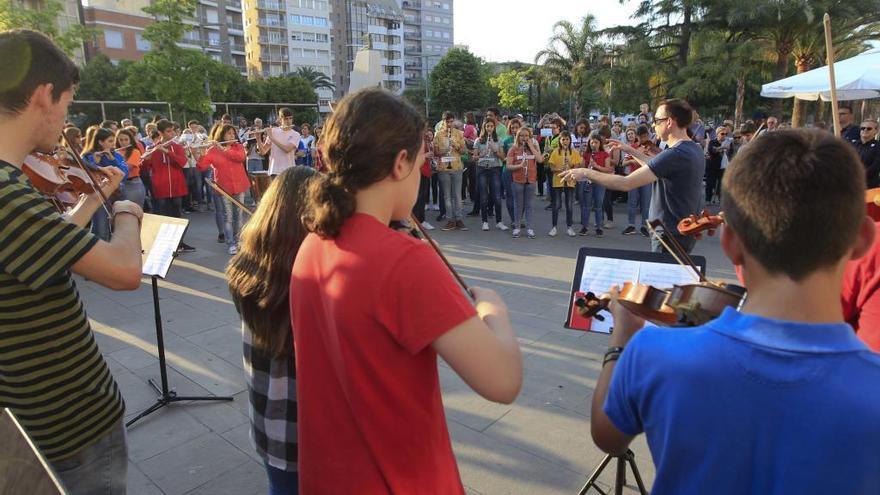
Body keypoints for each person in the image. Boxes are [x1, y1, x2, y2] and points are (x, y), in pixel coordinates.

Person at [591, 129, 880, 494]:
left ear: (729, 243)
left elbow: (607, 436)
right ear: (866, 240)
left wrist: (622, 339)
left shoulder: (654, 355)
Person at [291, 88, 522, 494]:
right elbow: (502, 381)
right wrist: (493, 311)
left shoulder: (312, 243)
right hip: (399, 480)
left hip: (329, 477)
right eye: (420, 162)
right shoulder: (404, 260)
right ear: (401, 163)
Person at [0, 29, 144, 495]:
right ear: (44, 95)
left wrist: (94, 197)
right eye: (66, 103)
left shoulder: (15, 190)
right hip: (67, 420)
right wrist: (125, 213)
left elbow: (49, 241)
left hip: (32, 412)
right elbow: (124, 271)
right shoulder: (5, 193)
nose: (65, 119)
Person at [227, 167, 316, 495]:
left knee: (279, 487)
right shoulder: (309, 280)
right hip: (307, 425)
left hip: (268, 417)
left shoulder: (245, 266)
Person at [561, 99, 705, 253]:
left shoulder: (675, 154)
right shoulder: (693, 149)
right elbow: (656, 165)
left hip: (669, 234)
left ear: (669, 122)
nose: (653, 125)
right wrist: (629, 150)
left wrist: (585, 172)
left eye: (656, 120)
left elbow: (625, 183)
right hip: (681, 231)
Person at [142, 119, 196, 252]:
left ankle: (179, 243)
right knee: (163, 216)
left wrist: (168, 152)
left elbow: (182, 162)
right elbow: (143, 168)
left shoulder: (176, 147)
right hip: (161, 188)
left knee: (177, 216)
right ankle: (164, 245)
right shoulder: (152, 148)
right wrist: (146, 160)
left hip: (177, 187)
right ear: (160, 132)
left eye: (172, 130)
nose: (172, 134)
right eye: (168, 131)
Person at [197, 124, 249, 254]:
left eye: (233, 133)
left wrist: (223, 148)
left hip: (239, 185)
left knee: (239, 216)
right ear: (222, 135)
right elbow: (202, 167)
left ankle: (239, 241)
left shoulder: (238, 147)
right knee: (228, 217)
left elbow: (240, 158)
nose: (232, 136)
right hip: (223, 188)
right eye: (229, 133)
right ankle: (231, 243)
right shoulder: (212, 150)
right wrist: (199, 153)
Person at [81, 127, 129, 241]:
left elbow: (124, 174)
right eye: (110, 141)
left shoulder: (115, 155)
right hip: (98, 196)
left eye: (114, 140)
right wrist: (95, 162)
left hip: (117, 194)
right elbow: (86, 177)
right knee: (101, 229)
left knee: (119, 229)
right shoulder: (87, 156)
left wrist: (112, 159)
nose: (114, 144)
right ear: (100, 142)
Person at [433, 111, 467, 231]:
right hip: (443, 168)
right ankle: (450, 220)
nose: (449, 123)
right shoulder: (438, 134)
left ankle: (458, 219)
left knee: (457, 195)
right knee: (447, 196)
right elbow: (435, 152)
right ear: (443, 122)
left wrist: (455, 145)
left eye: (451, 121)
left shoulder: (459, 134)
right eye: (447, 121)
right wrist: (445, 149)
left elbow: (464, 151)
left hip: (457, 167)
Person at [507, 127, 543, 238]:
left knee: (529, 205)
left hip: (531, 179)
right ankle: (517, 227)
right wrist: (519, 166)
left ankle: (530, 228)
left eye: (526, 135)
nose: (524, 138)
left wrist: (531, 146)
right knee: (518, 205)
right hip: (517, 180)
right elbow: (508, 166)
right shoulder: (513, 149)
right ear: (518, 137)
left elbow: (540, 160)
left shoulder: (534, 147)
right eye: (522, 135)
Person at [471, 117, 507, 231]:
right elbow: (474, 158)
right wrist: (481, 155)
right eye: (487, 126)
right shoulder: (478, 140)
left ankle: (499, 222)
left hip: (495, 169)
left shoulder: (499, 140)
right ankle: (485, 221)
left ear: (494, 127)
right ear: (484, 127)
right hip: (482, 169)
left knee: (496, 196)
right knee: (484, 197)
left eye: (491, 126)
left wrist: (495, 150)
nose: (489, 128)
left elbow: (503, 158)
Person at [546, 131, 581, 237]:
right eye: (563, 139)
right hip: (558, 180)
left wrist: (569, 164)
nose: (565, 141)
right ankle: (554, 227)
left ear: (570, 140)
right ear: (560, 141)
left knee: (569, 205)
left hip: (570, 181)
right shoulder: (556, 152)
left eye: (567, 139)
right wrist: (559, 169)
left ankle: (569, 227)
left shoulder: (574, 152)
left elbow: (577, 167)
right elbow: (551, 167)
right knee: (556, 204)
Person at [621, 127, 652, 236]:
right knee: (632, 201)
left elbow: (655, 162)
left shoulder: (652, 148)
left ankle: (645, 226)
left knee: (646, 203)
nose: (644, 139)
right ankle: (631, 225)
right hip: (634, 177)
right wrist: (634, 160)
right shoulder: (632, 147)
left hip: (647, 177)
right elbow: (624, 163)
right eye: (641, 137)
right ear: (637, 137)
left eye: (646, 136)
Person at [262, 108, 301, 176]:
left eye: (290, 118)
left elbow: (287, 149)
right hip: (274, 170)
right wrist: (257, 138)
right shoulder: (273, 131)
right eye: (286, 119)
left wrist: (271, 138)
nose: (289, 121)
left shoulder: (296, 134)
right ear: (280, 119)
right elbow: (263, 151)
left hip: (289, 171)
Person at [115, 127, 146, 208]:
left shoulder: (135, 151)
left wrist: (113, 158)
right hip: (118, 184)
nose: (123, 142)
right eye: (121, 140)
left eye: (126, 139)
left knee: (134, 211)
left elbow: (127, 168)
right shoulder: (115, 152)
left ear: (130, 140)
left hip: (133, 184)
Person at [850, 119, 880, 188]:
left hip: (869, 184)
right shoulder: (852, 144)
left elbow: (876, 165)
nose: (865, 130)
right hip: (851, 183)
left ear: (875, 131)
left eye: (869, 128)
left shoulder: (878, 146)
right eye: (863, 128)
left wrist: (860, 174)